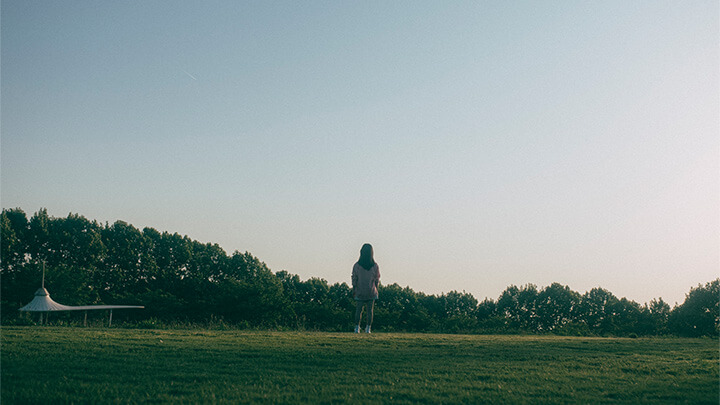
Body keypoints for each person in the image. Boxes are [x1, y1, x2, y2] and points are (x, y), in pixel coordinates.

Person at [352, 243, 380, 333]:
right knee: (370, 311)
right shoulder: (375, 266)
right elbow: (377, 279)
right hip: (371, 291)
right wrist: (377, 289)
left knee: (358, 310)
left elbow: (354, 278)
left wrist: (354, 289)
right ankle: (368, 328)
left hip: (360, 291)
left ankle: (357, 327)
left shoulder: (357, 265)